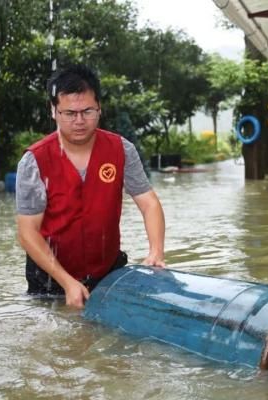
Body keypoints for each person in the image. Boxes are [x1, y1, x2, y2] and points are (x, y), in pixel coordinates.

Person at [16, 64, 165, 309]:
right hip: (50, 279)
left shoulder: (121, 150)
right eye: (69, 113)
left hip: (107, 272)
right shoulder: (35, 161)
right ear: (54, 111)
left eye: (87, 111)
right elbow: (27, 232)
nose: (79, 121)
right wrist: (67, 282)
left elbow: (149, 203)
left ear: (99, 108)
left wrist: (155, 251)